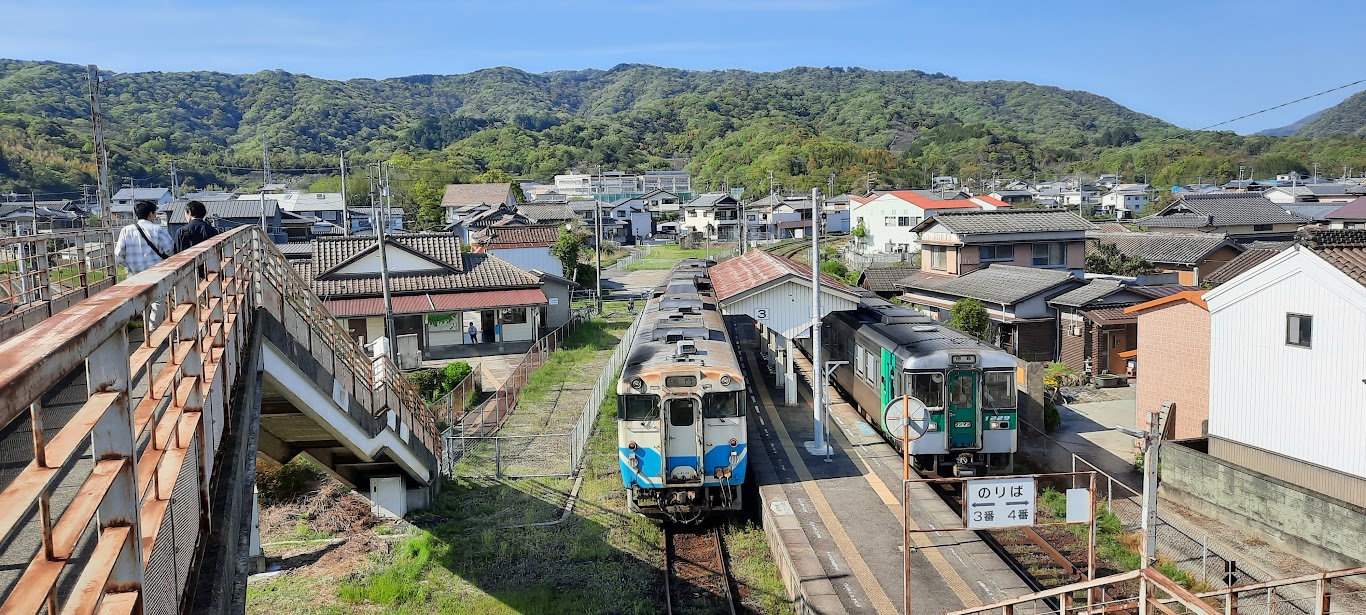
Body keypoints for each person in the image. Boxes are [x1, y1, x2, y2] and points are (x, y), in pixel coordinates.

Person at [114, 200, 174, 327]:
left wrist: (128, 267)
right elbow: (171, 250)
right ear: (151, 214)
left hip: (135, 275)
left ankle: (146, 330)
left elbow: (119, 254)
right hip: (157, 274)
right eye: (155, 213)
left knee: (142, 302)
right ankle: (153, 331)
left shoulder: (126, 230)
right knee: (158, 301)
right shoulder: (158, 230)